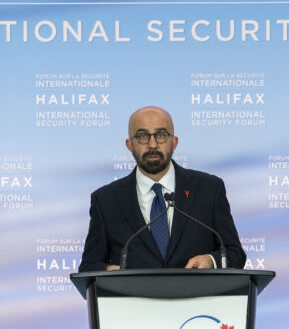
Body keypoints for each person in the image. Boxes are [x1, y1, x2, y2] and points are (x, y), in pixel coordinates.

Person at [79, 106, 246, 271]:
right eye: (143, 136)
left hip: (196, 296)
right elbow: (88, 267)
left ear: (174, 142)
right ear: (130, 145)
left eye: (161, 135)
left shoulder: (209, 189)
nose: (153, 144)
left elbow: (235, 254)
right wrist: (107, 273)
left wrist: (211, 261)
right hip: (134, 297)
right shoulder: (105, 200)